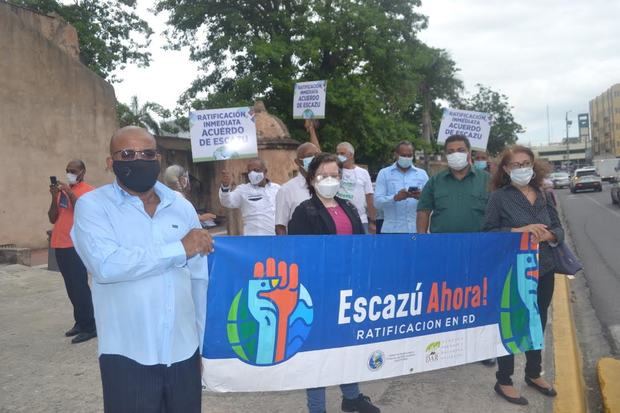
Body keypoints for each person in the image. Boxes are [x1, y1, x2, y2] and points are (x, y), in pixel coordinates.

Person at [71, 126, 213, 413]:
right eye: (127, 153)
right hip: (127, 353)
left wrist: (203, 343)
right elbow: (106, 265)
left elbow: (199, 279)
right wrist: (178, 248)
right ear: (111, 163)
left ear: (158, 159)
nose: (138, 159)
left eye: (147, 153)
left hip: (183, 350)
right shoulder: (93, 207)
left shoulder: (180, 206)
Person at [288, 153, 380, 413]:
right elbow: (298, 255)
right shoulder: (304, 211)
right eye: (323, 175)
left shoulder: (349, 207)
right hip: (318, 292)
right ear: (311, 178)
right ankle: (317, 408)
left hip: (349, 290)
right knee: (318, 351)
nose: (330, 180)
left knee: (346, 344)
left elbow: (360, 247)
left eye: (335, 175)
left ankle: (351, 397)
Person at [484, 145, 563, 405]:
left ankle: (533, 372)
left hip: (544, 268)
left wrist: (547, 234)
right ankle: (504, 380)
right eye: (516, 165)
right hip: (513, 271)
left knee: (537, 321)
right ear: (506, 169)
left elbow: (558, 229)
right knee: (512, 323)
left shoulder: (543, 194)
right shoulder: (499, 197)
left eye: (526, 163)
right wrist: (521, 231)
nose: (522, 169)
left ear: (534, 165)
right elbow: (489, 233)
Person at [416, 135, 495, 367]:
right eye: (450, 151)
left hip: (480, 251)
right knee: (445, 300)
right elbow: (423, 211)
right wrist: (422, 241)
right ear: (445, 155)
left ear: (469, 152)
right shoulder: (435, 181)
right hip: (444, 252)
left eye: (460, 149)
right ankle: (445, 348)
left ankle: (483, 349)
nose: (455, 154)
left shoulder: (487, 181)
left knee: (481, 300)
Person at [48, 159, 96, 344]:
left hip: (75, 245)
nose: (70, 174)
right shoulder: (61, 193)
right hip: (59, 244)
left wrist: (70, 194)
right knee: (71, 287)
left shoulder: (89, 192)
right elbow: (53, 217)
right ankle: (80, 322)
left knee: (80, 286)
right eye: (67, 170)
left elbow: (84, 213)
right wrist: (54, 197)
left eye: (73, 171)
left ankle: (91, 326)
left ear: (83, 172)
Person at [374, 141, 429, 233]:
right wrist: (395, 197)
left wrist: (421, 197)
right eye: (404, 155)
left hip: (415, 230)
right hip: (391, 230)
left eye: (409, 155)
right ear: (396, 155)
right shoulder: (384, 173)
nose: (407, 158)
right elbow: (377, 203)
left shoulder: (422, 174)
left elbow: (431, 202)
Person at [219, 159, 280, 235]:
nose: (252, 174)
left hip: (277, 238)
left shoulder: (277, 188)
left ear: (265, 171)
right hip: (254, 239)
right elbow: (227, 201)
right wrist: (225, 187)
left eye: (256, 170)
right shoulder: (243, 190)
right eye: (249, 171)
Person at [274, 142, 320, 235]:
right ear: (298, 162)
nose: (314, 159)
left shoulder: (326, 185)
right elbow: (280, 226)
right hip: (300, 244)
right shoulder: (287, 190)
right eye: (309, 156)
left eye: (317, 155)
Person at [336, 142, 376, 233]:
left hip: (361, 220)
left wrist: (373, 220)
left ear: (351, 155)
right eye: (337, 153)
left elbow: (369, 197)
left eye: (342, 153)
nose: (339, 156)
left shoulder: (363, 173)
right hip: (340, 220)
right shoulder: (334, 172)